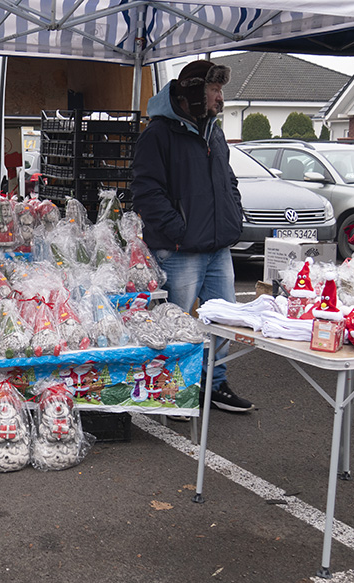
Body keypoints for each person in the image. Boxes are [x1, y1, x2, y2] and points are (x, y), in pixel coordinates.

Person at [130, 59, 254, 413]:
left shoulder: (212, 129)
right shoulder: (157, 134)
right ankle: (174, 391)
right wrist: (177, 230)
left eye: (220, 90)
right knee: (175, 326)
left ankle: (213, 385)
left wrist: (234, 211)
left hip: (218, 246)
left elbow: (227, 177)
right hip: (179, 249)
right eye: (213, 90)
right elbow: (145, 191)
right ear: (192, 95)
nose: (219, 97)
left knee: (224, 321)